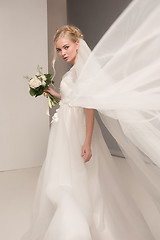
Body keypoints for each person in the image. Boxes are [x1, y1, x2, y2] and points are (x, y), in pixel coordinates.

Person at [22, 1, 160, 239]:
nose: (63, 53)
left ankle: (79, 225)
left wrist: (87, 141)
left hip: (76, 131)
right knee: (64, 176)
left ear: (77, 44)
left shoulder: (83, 72)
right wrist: (53, 92)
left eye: (66, 47)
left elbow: (89, 107)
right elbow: (71, 99)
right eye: (58, 50)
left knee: (80, 177)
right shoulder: (73, 71)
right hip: (64, 130)